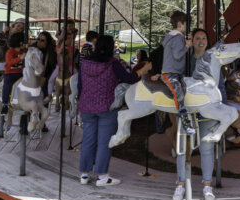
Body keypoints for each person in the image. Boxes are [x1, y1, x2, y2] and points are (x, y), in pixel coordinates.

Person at [77, 35, 151, 187]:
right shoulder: (113, 64)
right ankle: (102, 176)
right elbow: (129, 78)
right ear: (111, 48)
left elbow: (80, 85)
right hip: (107, 106)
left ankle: (84, 174)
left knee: (88, 140)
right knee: (104, 142)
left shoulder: (84, 63)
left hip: (86, 106)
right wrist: (143, 69)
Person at [173, 28, 225, 200]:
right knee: (183, 148)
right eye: (197, 38)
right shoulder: (184, 60)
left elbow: (221, 88)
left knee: (206, 148)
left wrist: (221, 111)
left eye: (203, 38)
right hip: (187, 110)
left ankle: (207, 185)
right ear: (192, 40)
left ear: (207, 41)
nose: (200, 41)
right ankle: (180, 184)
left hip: (207, 111)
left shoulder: (213, 62)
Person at [151, 11, 194, 134]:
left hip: (177, 72)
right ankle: (184, 119)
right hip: (171, 73)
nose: (188, 27)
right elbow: (177, 55)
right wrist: (187, 46)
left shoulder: (176, 37)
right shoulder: (177, 37)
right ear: (180, 24)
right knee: (179, 93)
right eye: (188, 24)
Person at [1, 31, 25, 111]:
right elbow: (9, 62)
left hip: (20, 73)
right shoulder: (10, 52)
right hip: (10, 74)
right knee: (7, 85)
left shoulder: (23, 52)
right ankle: (5, 103)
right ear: (21, 43)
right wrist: (20, 58)